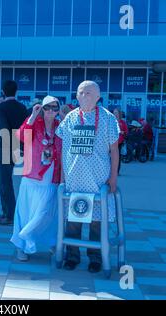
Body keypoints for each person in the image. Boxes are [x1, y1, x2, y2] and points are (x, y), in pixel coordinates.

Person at [55, 80, 120, 273]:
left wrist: (114, 177)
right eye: (81, 93)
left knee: (96, 224)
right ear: (76, 96)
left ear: (98, 97)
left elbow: (115, 151)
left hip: (98, 181)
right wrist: (62, 177)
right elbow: (63, 150)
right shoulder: (70, 118)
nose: (84, 96)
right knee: (73, 222)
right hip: (74, 182)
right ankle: (72, 256)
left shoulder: (108, 119)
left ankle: (95, 258)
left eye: (89, 93)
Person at [11, 96, 62, 261]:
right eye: (48, 107)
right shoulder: (35, 123)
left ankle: (51, 242)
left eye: (55, 108)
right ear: (42, 109)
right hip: (33, 176)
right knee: (26, 212)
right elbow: (21, 135)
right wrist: (33, 115)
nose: (51, 111)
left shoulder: (60, 126)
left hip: (51, 177)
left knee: (48, 213)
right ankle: (21, 246)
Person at [0, 80, 28, 225]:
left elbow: (4, 127)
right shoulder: (22, 107)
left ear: (3, 91)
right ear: (17, 91)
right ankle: (14, 211)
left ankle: (8, 214)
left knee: (4, 181)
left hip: (6, 147)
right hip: (20, 147)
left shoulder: (1, 107)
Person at [113, 108, 128, 174]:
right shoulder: (111, 121)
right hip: (111, 142)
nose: (115, 114)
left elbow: (126, 132)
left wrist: (122, 132)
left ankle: (117, 171)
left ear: (119, 114)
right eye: (114, 112)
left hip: (119, 142)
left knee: (117, 158)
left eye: (116, 112)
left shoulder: (122, 122)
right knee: (110, 157)